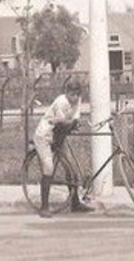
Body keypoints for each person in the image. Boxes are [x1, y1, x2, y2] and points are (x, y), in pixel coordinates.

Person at [31, 76, 94, 218]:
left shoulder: (77, 101)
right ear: (66, 93)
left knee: (71, 169)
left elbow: (75, 119)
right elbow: (63, 123)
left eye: (77, 94)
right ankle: (44, 207)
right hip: (45, 135)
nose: (75, 98)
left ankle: (75, 203)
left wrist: (73, 123)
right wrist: (72, 124)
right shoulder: (61, 102)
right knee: (48, 168)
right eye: (72, 94)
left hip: (58, 135)